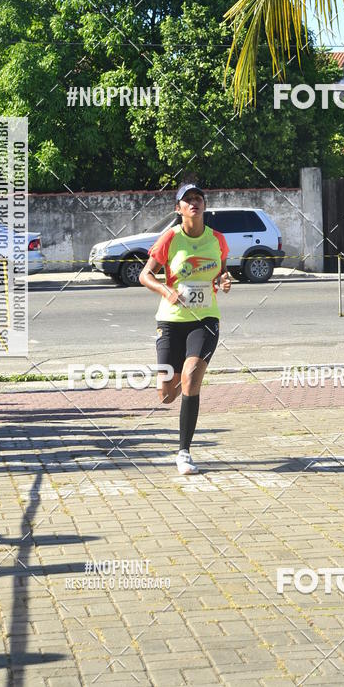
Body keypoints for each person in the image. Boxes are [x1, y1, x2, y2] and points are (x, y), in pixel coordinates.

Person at [139, 184, 231, 474]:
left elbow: (222, 271)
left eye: (198, 199)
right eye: (187, 200)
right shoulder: (170, 238)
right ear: (178, 209)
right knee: (167, 394)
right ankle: (183, 381)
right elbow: (145, 275)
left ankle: (184, 452)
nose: (194, 203)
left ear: (204, 205)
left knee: (191, 377)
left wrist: (224, 280)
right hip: (171, 319)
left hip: (205, 319)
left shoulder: (217, 239)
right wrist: (166, 290)